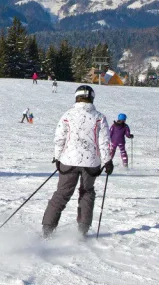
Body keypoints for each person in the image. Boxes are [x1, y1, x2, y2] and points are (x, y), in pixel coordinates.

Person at [41, 85, 111, 237]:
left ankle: (47, 229)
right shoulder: (99, 117)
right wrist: (107, 161)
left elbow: (60, 138)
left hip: (69, 160)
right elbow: (104, 142)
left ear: (76, 97)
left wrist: (57, 156)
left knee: (62, 193)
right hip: (91, 163)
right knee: (87, 193)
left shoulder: (67, 115)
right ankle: (82, 230)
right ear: (92, 98)